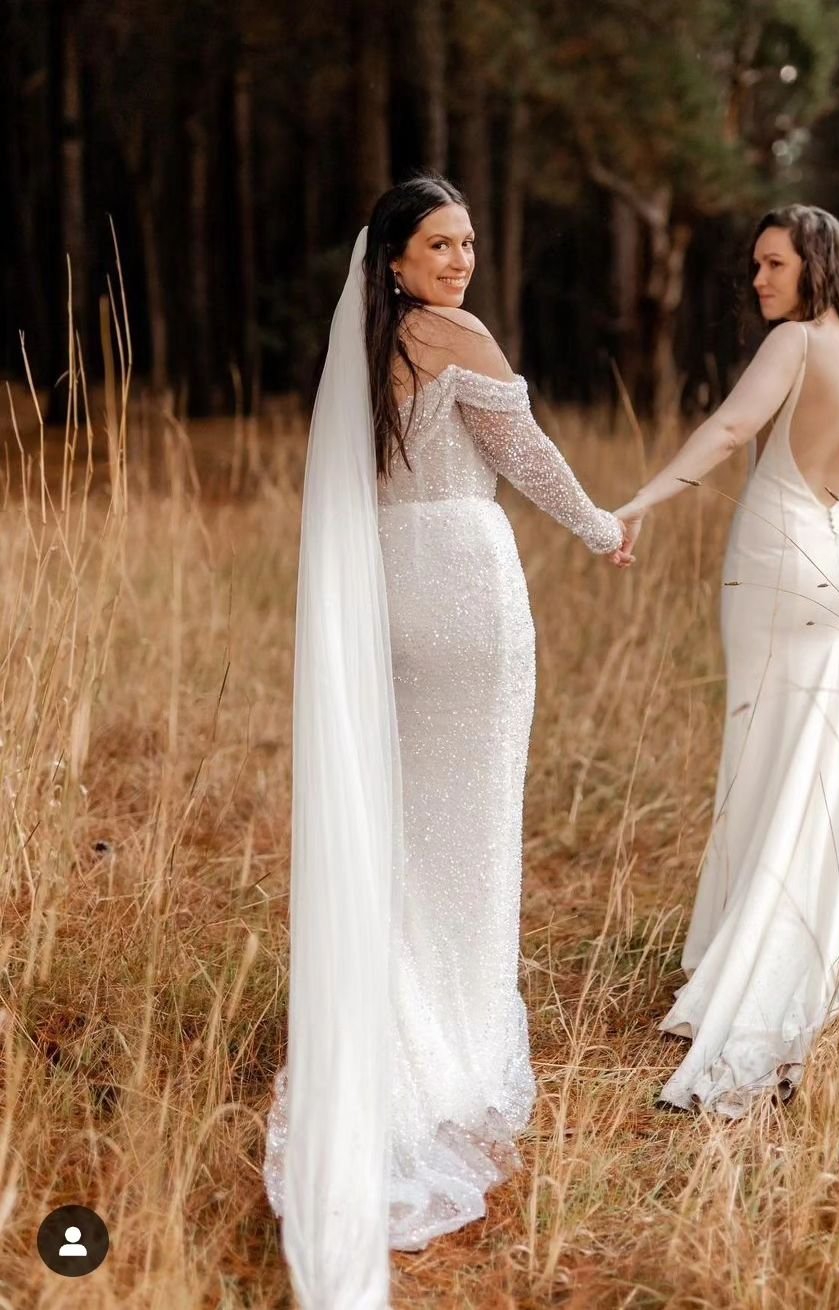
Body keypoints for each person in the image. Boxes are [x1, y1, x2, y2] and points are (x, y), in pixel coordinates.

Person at [261, 174, 625, 1308]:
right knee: (470, 824)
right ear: (395, 257)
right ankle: (450, 1048)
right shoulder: (451, 334)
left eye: (467, 241)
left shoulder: (367, 351)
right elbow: (525, 455)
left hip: (395, 594)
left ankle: (397, 1016)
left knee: (414, 820)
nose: (460, 259)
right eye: (438, 242)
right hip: (465, 590)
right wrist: (601, 526)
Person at [614, 204, 839, 1115]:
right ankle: (801, 965)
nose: (758, 280)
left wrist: (639, 501)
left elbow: (728, 432)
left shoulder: (795, 345)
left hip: (781, 568)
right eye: (755, 266)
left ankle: (747, 974)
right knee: (824, 774)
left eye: (773, 265)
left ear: (814, 265)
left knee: (761, 762)